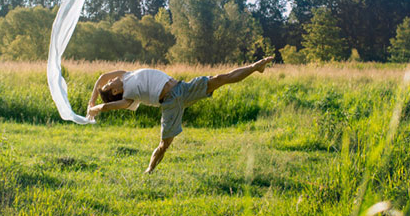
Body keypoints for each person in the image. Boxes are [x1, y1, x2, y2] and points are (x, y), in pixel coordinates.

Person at [86, 57, 274, 173]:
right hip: (170, 103)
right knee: (164, 144)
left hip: (183, 88)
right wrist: (95, 109)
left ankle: (255, 67)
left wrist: (91, 100)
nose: (110, 80)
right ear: (116, 92)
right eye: (109, 85)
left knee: (219, 79)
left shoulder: (125, 75)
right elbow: (108, 107)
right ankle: (149, 170)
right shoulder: (127, 97)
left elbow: (101, 77)